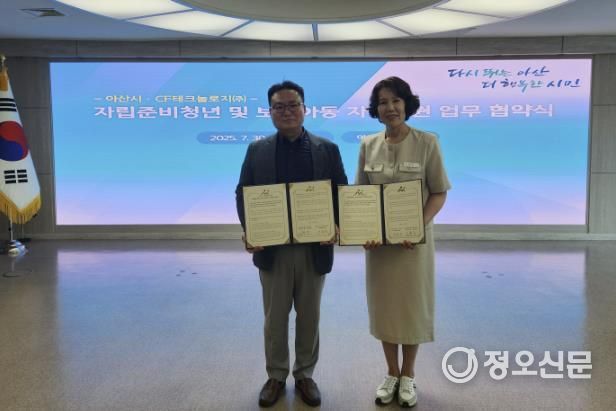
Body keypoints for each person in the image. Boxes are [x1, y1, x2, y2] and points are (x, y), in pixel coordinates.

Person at [235, 80, 348, 408]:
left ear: (304, 108)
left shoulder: (327, 149)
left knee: (309, 316)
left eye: (293, 105)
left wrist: (337, 225)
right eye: (279, 106)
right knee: (275, 318)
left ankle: (304, 375)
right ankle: (276, 375)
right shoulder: (257, 150)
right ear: (270, 112)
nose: (287, 111)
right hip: (273, 250)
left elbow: (340, 191)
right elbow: (243, 193)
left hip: (314, 247)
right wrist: (250, 230)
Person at [355, 76, 450, 408]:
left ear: (407, 104)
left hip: (413, 246)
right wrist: (362, 229)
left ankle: (408, 374)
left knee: (411, 307)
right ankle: (391, 373)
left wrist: (417, 225)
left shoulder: (427, 142)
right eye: (382, 102)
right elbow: (362, 196)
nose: (390, 107)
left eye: (396, 100)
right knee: (385, 308)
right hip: (379, 247)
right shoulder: (367, 145)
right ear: (376, 109)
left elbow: (439, 193)